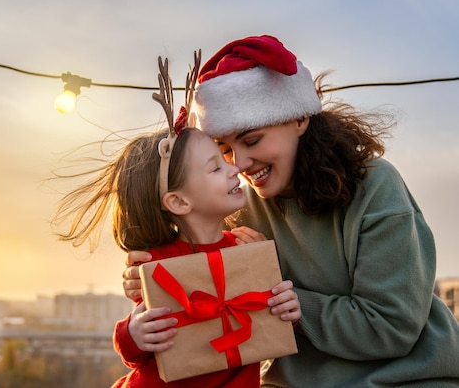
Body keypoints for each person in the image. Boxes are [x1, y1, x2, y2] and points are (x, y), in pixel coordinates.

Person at [122, 35, 459, 387]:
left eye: (252, 140)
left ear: (299, 118)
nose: (240, 164)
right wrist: (154, 276)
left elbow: (392, 327)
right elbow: (208, 294)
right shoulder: (240, 203)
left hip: (407, 378)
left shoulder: (374, 187)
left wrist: (292, 306)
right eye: (224, 150)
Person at [53, 56, 301, 387]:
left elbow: (267, 328)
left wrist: (288, 309)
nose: (235, 168)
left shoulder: (246, 246)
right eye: (216, 166)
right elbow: (136, 350)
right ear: (180, 201)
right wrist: (133, 334)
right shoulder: (156, 264)